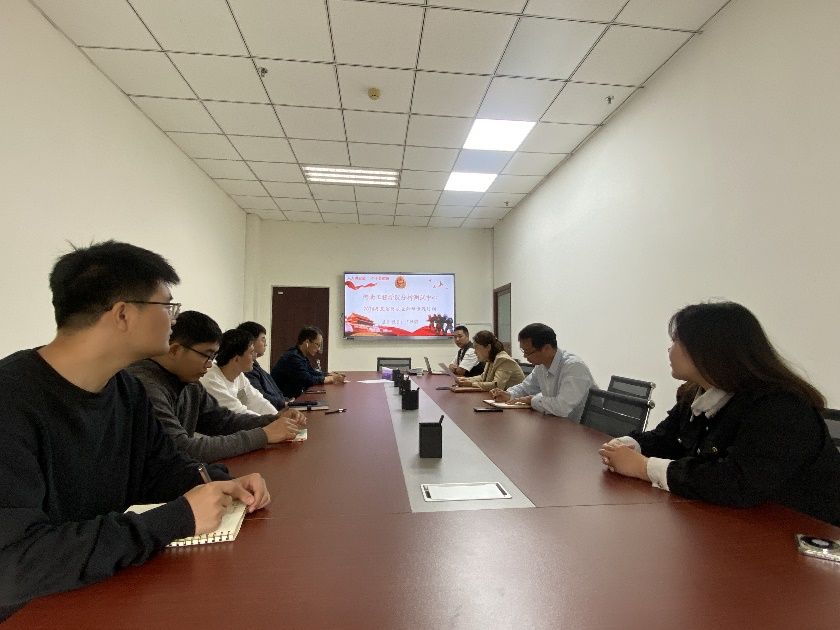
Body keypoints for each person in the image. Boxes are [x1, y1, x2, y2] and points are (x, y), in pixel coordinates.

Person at [0, 241, 270, 620]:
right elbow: (15, 563)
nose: (173, 321)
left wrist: (221, 482)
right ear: (123, 314)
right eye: (167, 307)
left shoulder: (126, 389)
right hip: (34, 612)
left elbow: (160, 470)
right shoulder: (11, 400)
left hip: (106, 594)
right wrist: (175, 519)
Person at [598, 301, 840, 526]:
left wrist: (644, 467)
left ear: (706, 350)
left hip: (803, 533)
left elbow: (738, 481)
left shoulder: (779, 407)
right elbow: (668, 438)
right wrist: (627, 446)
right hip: (734, 521)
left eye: (676, 341)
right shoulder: (695, 393)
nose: (669, 349)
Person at [127, 311, 305, 463]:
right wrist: (263, 435)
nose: (210, 364)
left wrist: (273, 420)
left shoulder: (190, 383)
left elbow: (223, 421)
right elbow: (182, 449)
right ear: (174, 350)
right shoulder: (144, 385)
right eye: (207, 355)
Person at [490, 323, 596, 420]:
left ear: (547, 348)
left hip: (580, 428)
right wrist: (509, 394)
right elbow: (526, 388)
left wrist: (532, 400)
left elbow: (562, 407)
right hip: (556, 421)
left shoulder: (574, 367)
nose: (525, 356)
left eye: (528, 352)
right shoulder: (541, 366)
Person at [200, 329, 278, 416]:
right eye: (251, 353)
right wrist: (273, 420)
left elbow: (258, 401)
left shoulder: (239, 375)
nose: (254, 357)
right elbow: (236, 412)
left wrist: (276, 416)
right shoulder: (211, 380)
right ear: (236, 359)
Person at [271, 326, 345, 398]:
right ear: (307, 342)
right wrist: (331, 379)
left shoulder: (301, 355)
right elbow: (307, 379)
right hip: (283, 400)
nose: (318, 349)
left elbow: (312, 372)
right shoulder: (293, 357)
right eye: (317, 344)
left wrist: (329, 374)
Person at [236, 321, 289, 408]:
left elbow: (275, 392)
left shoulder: (255, 365)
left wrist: (286, 401)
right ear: (250, 342)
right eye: (263, 340)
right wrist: (284, 404)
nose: (266, 344)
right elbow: (261, 397)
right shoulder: (246, 369)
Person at [455, 330, 525, 391]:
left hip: (513, 399)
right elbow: (483, 377)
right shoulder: (490, 359)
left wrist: (472, 384)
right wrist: (467, 380)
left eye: (476, 348)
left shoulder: (503, 359)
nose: (475, 352)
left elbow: (496, 385)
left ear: (488, 347)